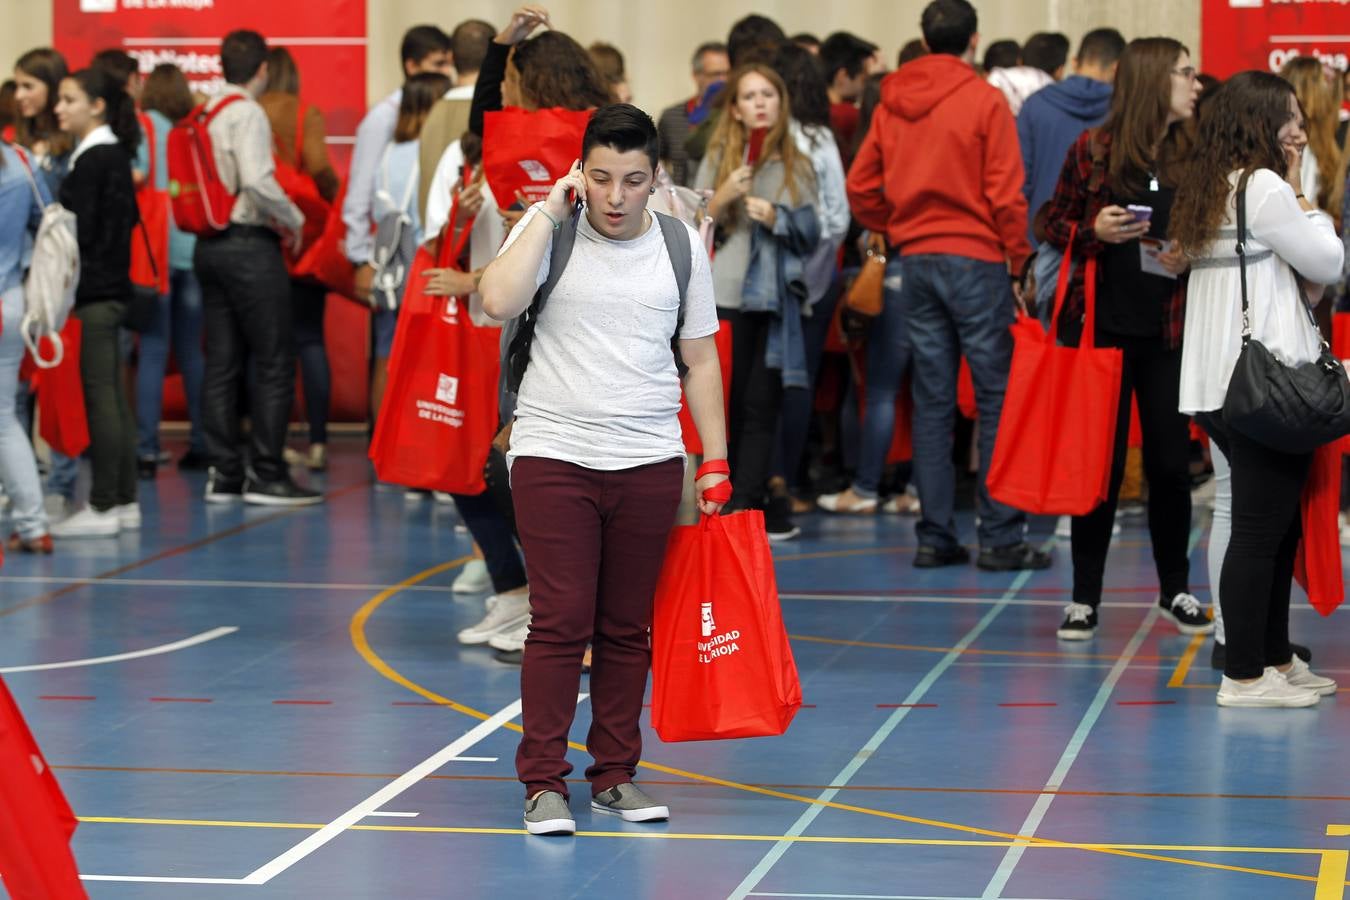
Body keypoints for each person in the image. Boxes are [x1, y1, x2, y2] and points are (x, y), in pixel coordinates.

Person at [479, 103, 727, 837]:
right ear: (578, 172)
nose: (615, 197)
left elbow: (701, 357)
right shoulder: (548, 227)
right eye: (600, 177)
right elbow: (494, 301)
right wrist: (549, 214)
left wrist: (713, 459)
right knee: (559, 622)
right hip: (554, 453)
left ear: (657, 179)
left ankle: (615, 776)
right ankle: (543, 784)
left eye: (633, 180)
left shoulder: (680, 245)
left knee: (627, 628)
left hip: (650, 459)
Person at [847, 0, 1047, 571]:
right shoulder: (984, 99)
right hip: (977, 260)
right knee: (994, 398)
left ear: (926, 38)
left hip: (916, 259)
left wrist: (896, 222)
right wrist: (1019, 260)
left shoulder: (891, 101)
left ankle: (935, 536)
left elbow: (861, 186)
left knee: (932, 401)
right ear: (974, 40)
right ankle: (1002, 536)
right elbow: (1007, 193)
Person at [1172, 71, 1343, 706]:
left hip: (1221, 377)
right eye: (1288, 118)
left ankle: (1272, 657)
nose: (1298, 129)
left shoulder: (1214, 183)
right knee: (1260, 529)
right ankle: (1245, 672)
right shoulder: (1266, 186)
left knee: (1269, 525)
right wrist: (1306, 198)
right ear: (1258, 124)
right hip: (1264, 379)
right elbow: (1328, 263)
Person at [1039, 38, 1203, 639]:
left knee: (1169, 464)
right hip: (1102, 330)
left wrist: (1193, 250)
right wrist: (1093, 229)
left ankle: (1176, 589)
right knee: (1098, 469)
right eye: (1186, 73)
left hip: (1172, 329)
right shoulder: (1094, 149)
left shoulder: (1194, 151)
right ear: (1156, 79)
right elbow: (1051, 221)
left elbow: (1213, 226)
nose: (1196, 84)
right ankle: (1085, 597)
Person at [695, 63, 820, 540]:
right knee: (719, 403)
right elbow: (690, 221)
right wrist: (722, 196)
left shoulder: (796, 164)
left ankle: (748, 500)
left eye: (768, 94)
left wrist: (778, 218)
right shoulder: (719, 155)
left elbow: (813, 233)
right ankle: (717, 495)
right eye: (749, 96)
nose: (760, 103)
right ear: (735, 108)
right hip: (721, 295)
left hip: (771, 300)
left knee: (760, 404)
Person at [197, 30, 314, 506]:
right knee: (273, 360)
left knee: (222, 362)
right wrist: (295, 218)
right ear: (262, 69)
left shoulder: (204, 111)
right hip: (249, 245)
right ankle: (267, 472)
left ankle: (224, 472)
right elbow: (257, 180)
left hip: (210, 245)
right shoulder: (246, 112)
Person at [48, 67, 140, 538]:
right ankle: (123, 499)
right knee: (114, 399)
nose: (59, 108)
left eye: (69, 99)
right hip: (112, 292)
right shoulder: (111, 156)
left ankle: (105, 502)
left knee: (102, 397)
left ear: (97, 105)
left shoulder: (94, 160)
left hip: (96, 294)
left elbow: (79, 236)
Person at [769, 43, 850, 513]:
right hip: (814, 280)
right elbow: (838, 216)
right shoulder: (818, 138)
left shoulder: (759, 137)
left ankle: (765, 478)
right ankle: (791, 480)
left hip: (761, 279)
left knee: (763, 384)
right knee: (799, 380)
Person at [258, 46, 340, 473]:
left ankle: (271, 439)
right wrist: (336, 201)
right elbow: (320, 168)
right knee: (309, 339)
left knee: (268, 347)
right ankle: (320, 442)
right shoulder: (304, 112)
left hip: (264, 238)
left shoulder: (251, 110)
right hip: (305, 241)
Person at [13, 47, 78, 516]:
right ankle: (22, 482)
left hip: (53, 283)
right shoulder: (17, 148)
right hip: (18, 279)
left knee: (56, 384)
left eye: (28, 86)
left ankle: (60, 481)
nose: (19, 96)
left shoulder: (63, 151)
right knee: (15, 391)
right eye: (15, 87)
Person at [136, 63, 209, 476]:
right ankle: (201, 444)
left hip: (154, 250)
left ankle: (146, 447)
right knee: (192, 351)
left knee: (151, 349)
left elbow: (139, 176)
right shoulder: (191, 128)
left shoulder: (143, 125)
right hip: (192, 243)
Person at [345, 25, 453, 304]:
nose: (447, 73)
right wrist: (361, 260)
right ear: (412, 65)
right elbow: (360, 190)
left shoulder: (440, 114)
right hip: (393, 257)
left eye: (449, 64)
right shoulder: (383, 119)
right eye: (438, 64)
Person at [367, 71, 451, 417]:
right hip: (422, 267)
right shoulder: (433, 154)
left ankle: (381, 440)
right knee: (428, 362)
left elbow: (377, 207)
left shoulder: (390, 153)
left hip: (390, 272)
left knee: (385, 354)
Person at [1018, 28, 1124, 247]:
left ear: (1076, 61)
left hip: (1042, 239)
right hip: (1103, 242)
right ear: (1118, 67)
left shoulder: (1035, 105)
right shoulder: (1123, 112)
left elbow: (1021, 183)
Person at [0, 140, 52, 552]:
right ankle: (34, 524)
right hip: (11, 301)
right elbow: (48, 220)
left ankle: (33, 523)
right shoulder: (19, 159)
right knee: (4, 419)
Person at [416, 18, 495, 223]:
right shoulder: (496, 114)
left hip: (439, 242)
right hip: (482, 242)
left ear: (451, 57)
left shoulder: (432, 113)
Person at [1280, 56, 1347, 218]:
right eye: (1324, 81)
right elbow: (1300, 205)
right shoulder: (1296, 143)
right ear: (1308, 90)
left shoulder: (1323, 138)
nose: (1334, 90)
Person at [656, 41, 728, 188]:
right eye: (716, 74)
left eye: (728, 73)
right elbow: (655, 162)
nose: (723, 80)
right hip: (679, 203)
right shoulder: (672, 117)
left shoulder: (737, 116)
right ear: (696, 76)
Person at [820, 32, 879, 159]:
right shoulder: (848, 115)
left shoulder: (812, 111)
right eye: (864, 78)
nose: (866, 86)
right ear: (843, 77)